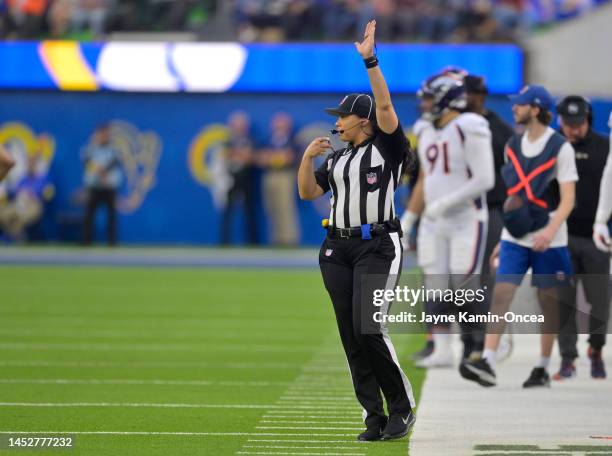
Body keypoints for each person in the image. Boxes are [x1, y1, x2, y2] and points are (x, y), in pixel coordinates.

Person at [297, 20, 416, 442]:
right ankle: (373, 414)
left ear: (362, 120)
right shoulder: (337, 159)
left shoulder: (385, 146)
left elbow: (384, 105)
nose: (338, 121)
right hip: (338, 248)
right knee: (351, 334)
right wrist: (306, 157)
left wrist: (370, 59)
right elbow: (308, 191)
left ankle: (401, 408)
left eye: (343, 115)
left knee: (370, 326)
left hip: (378, 245)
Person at [460, 85, 578, 388]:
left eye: (520, 104)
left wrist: (550, 231)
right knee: (501, 293)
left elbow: (567, 199)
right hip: (517, 235)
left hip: (549, 236)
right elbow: (515, 196)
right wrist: (505, 238)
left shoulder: (560, 147)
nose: (514, 108)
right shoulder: (512, 144)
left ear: (536, 109)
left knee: (547, 301)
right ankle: (487, 360)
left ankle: (541, 367)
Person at [402, 71, 495, 369]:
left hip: (465, 217)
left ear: (445, 99)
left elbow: (485, 178)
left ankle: (478, 346)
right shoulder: (426, 129)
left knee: (464, 284)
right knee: (436, 284)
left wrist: (445, 202)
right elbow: (424, 181)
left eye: (430, 99)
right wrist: (408, 220)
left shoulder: (470, 126)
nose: (425, 105)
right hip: (434, 221)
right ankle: (441, 349)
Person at [553, 97, 610, 380]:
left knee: (599, 300)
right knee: (563, 299)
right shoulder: (552, 148)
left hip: (596, 238)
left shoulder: (606, 149)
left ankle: (596, 350)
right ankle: (568, 358)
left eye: (577, 124)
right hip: (562, 238)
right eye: (567, 124)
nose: (572, 130)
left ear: (588, 120)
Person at [464, 74, 516, 362]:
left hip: (491, 208)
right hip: (460, 212)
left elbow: (511, 175)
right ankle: (468, 339)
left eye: (467, 94)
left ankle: (489, 337)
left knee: (484, 275)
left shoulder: (499, 130)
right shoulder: (455, 125)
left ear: (480, 96)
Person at [258, 112, 299, 246]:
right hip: (269, 175)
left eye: (282, 123)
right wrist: (276, 157)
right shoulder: (268, 139)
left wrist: (276, 158)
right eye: (277, 123)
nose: (279, 125)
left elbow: (291, 157)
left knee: (285, 208)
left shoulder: (293, 139)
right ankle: (276, 238)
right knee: (271, 208)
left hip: (285, 176)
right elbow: (261, 157)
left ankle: (289, 239)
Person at [220, 111, 258, 245]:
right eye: (236, 125)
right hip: (230, 180)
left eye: (241, 125)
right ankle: (225, 241)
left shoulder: (251, 140)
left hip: (246, 179)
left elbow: (250, 158)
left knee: (249, 211)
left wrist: (238, 155)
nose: (238, 128)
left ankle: (252, 242)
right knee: (227, 211)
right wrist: (240, 155)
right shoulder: (227, 141)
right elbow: (225, 156)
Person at [82, 124, 122, 245]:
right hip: (94, 186)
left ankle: (112, 242)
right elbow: (87, 162)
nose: (103, 136)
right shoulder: (89, 149)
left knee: (111, 216)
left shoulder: (114, 150)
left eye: (105, 134)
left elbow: (114, 162)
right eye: (100, 134)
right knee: (89, 214)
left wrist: (103, 170)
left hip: (109, 186)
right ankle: (86, 242)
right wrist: (98, 170)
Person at [0, 152, 53, 240]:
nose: (30, 165)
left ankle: (15, 238)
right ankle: (15, 236)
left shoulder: (43, 178)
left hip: (34, 205)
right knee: (3, 214)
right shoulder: (23, 179)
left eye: (32, 163)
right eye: (28, 162)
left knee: (20, 217)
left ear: (36, 164)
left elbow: (47, 194)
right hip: (17, 204)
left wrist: (30, 195)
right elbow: (14, 192)